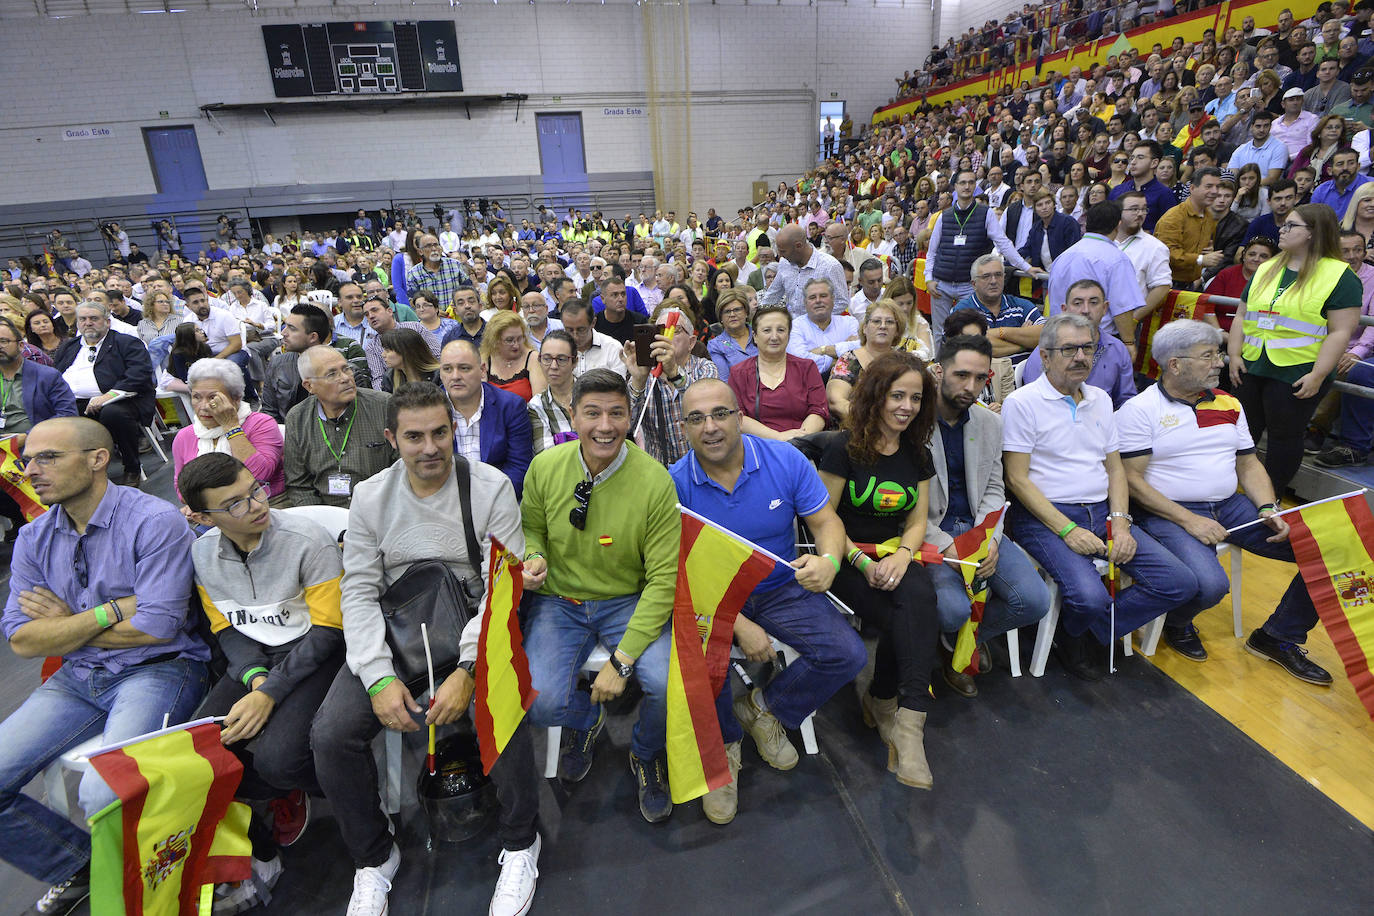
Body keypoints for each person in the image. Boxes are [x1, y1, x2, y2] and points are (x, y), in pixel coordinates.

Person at [311, 383, 542, 916]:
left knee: (501, 709)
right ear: (393, 438)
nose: (430, 447)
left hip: (471, 625)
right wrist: (376, 676)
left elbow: (498, 588)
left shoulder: (489, 487)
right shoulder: (370, 496)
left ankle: (520, 841)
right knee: (331, 735)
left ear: (454, 431)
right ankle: (373, 857)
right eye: (414, 437)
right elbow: (360, 589)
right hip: (397, 629)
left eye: (441, 433)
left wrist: (467, 667)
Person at [0, 417, 209, 915]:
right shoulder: (34, 538)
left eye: (48, 457)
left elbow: (157, 627)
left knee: (105, 792)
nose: (31, 470)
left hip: (159, 669)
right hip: (78, 677)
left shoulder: (153, 520)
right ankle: (89, 869)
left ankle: (136, 887)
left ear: (97, 460)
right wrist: (108, 611)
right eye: (28, 459)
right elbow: (23, 639)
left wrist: (65, 624)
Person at [670, 379, 866, 824]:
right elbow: (676, 576)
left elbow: (826, 523)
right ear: (683, 429)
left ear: (740, 417)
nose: (711, 427)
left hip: (780, 585)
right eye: (697, 418)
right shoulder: (672, 484)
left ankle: (763, 708)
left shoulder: (784, 459)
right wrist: (738, 623)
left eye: (720, 413)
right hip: (711, 597)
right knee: (701, 665)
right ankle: (724, 748)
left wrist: (831, 562)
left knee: (847, 653)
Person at [1117, 320, 1333, 684]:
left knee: (1326, 552)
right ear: (1175, 364)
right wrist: (1189, 520)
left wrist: (1267, 507)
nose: (1220, 362)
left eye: (1218, 353)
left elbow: (1248, 463)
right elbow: (1131, 480)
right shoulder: (1139, 410)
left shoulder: (1229, 402)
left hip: (1231, 506)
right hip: (1167, 512)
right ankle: (1178, 621)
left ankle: (1277, 637)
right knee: (1211, 586)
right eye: (1209, 355)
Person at [180, 453, 346, 905]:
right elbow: (226, 628)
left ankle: (330, 786)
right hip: (255, 658)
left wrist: (269, 693)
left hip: (315, 652)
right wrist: (256, 680)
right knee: (199, 757)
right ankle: (263, 833)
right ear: (200, 517)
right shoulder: (200, 554)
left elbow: (329, 633)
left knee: (278, 760)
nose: (256, 504)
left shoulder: (307, 541)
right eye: (234, 504)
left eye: (255, 489)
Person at [520, 369, 681, 822]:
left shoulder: (654, 482)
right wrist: (533, 554)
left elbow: (663, 580)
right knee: (538, 701)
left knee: (670, 684)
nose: (604, 425)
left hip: (628, 599)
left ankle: (646, 753)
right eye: (592, 413)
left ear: (630, 418)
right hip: (558, 600)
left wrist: (621, 662)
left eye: (616, 413)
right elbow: (531, 524)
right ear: (573, 415)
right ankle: (584, 719)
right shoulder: (545, 467)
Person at [1002, 313, 1197, 681]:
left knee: (1179, 582)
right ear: (1044, 356)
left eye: (1088, 348)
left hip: (1102, 513)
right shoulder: (1023, 403)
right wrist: (1065, 530)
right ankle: (1084, 625)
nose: (1080, 357)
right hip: (1045, 516)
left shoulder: (1102, 400)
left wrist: (1121, 524)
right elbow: (1017, 479)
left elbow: (1115, 470)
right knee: (1089, 596)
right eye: (1069, 349)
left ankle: (1081, 630)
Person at [817, 351, 940, 789]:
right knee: (906, 616)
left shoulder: (917, 453)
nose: (906, 406)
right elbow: (824, 519)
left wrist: (904, 556)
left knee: (919, 600)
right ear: (876, 397)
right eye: (897, 396)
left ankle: (906, 719)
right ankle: (886, 702)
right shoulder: (842, 448)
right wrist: (861, 562)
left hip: (895, 553)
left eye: (916, 397)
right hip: (847, 555)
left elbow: (917, 520)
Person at [926, 334, 1050, 696]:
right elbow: (904, 505)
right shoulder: (911, 422)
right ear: (938, 372)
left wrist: (990, 539)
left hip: (980, 527)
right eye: (961, 375)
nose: (971, 386)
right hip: (933, 531)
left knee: (1034, 601)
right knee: (951, 610)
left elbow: (996, 488)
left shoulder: (989, 423)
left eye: (980, 379)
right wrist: (946, 545)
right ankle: (955, 635)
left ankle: (963, 642)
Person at [1228, 203, 1362, 496]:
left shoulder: (1340, 276)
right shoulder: (1268, 266)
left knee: (1283, 438)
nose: (1282, 230)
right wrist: (1235, 354)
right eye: (1284, 224)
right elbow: (1242, 314)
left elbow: (1341, 332)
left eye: (1291, 226)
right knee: (1242, 433)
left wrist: (1318, 374)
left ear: (1313, 233)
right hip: (1252, 364)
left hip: (1298, 370)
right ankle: (1235, 492)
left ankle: (1270, 497)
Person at [926, 170, 1045, 346]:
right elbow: (932, 251)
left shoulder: (986, 213)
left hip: (969, 285)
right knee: (940, 332)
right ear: (956, 187)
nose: (967, 186)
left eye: (971, 182)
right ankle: (940, 368)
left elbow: (1003, 243)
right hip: (941, 284)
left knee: (970, 334)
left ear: (975, 185)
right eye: (963, 183)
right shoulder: (944, 216)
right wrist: (928, 278)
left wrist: (1025, 267)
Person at [52, 302, 155, 487]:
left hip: (123, 400)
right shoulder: (69, 347)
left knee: (113, 413)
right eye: (83, 319)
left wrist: (108, 396)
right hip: (75, 403)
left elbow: (139, 375)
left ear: (107, 322)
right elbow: (55, 376)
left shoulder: (125, 342)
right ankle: (79, 472)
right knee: (57, 417)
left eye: (94, 318)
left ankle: (132, 467)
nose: (88, 323)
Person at [283, 346, 396, 507]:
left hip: (380, 509)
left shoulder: (384, 405)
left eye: (346, 369)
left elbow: (403, 466)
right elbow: (298, 485)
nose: (345, 378)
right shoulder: (297, 418)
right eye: (332, 374)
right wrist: (320, 522)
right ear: (310, 386)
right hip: (324, 515)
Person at [0, 316, 76, 542]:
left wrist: (27, 439)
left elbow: (67, 415)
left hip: (36, 446)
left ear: (21, 345)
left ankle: (43, 518)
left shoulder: (46, 376)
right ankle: (22, 516)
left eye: (4, 341)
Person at [172, 359, 284, 501]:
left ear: (236, 398)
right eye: (196, 397)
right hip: (213, 511)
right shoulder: (184, 436)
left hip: (267, 502)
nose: (204, 406)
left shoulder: (261, 424)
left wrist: (231, 427)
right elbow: (181, 486)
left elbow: (258, 477)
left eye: (213, 398)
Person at [1046, 201, 1148, 352]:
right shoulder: (1116, 259)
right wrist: (1128, 343)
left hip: (1061, 340)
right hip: (1098, 343)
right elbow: (1122, 308)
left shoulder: (1063, 257)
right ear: (1118, 225)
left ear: (1087, 223)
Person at [438, 339, 534, 497]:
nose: (455, 376)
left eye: (464, 368)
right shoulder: (429, 407)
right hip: (446, 501)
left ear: (482, 370)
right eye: (447, 369)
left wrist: (483, 501)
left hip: (497, 499)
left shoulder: (510, 406)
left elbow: (519, 468)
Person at [627, 306, 720, 467]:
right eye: (660, 331)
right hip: (659, 470)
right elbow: (627, 422)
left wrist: (675, 373)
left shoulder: (705, 367)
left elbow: (708, 403)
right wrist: (638, 381)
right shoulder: (646, 374)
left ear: (691, 343)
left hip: (703, 465)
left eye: (675, 330)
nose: (666, 338)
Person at [726, 305, 829, 441]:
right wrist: (779, 437)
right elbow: (738, 417)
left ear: (788, 335)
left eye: (781, 330)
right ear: (755, 337)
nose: (774, 337)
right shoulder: (739, 373)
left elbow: (819, 411)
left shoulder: (807, 368)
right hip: (757, 446)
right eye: (767, 330)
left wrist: (799, 440)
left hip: (802, 446)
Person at [261, 304, 371, 423]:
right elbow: (269, 411)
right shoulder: (277, 364)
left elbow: (360, 414)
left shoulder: (349, 372)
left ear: (313, 337)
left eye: (291, 328)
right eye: (285, 326)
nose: (283, 333)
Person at [826, 300, 912, 425]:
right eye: (876, 321)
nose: (883, 326)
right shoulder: (848, 360)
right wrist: (874, 423)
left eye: (889, 322)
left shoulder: (905, 363)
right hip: (854, 428)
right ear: (865, 328)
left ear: (897, 331)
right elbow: (836, 401)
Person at [951, 254, 1046, 358]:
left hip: (1023, 373)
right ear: (974, 284)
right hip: (984, 373)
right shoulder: (962, 311)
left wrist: (1002, 332)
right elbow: (975, 347)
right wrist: (1024, 342)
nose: (993, 281)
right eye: (986, 276)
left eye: (998, 275)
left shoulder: (1022, 306)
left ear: (1004, 278)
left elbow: (1045, 337)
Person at [758, 224, 849, 320]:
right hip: (792, 328)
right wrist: (760, 316)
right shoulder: (784, 263)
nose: (780, 255)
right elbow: (773, 295)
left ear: (798, 246)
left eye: (783, 251)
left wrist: (814, 321)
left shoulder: (830, 266)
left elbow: (841, 302)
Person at [362, 294, 439, 391]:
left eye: (375, 310)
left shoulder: (415, 328)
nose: (371, 316)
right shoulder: (371, 347)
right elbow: (378, 379)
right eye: (367, 314)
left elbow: (438, 356)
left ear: (390, 311)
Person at [786, 278, 861, 377]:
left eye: (823, 296)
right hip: (806, 385)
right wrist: (841, 356)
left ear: (833, 299)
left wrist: (823, 350)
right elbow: (800, 363)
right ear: (805, 302)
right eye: (812, 297)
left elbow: (861, 351)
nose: (818, 301)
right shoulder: (795, 327)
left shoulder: (849, 322)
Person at [481, 311, 547, 402]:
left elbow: (540, 402)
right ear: (495, 341)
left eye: (520, 339)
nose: (516, 345)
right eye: (509, 340)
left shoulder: (533, 358)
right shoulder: (484, 359)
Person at [528, 330, 577, 454]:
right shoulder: (537, 405)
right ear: (539, 360)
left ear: (574, 362)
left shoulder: (592, 393)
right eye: (547, 359)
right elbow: (546, 456)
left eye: (561, 359)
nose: (553, 366)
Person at [559, 298, 626, 378]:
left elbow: (619, 387)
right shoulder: (555, 349)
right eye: (569, 330)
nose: (575, 336)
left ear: (593, 323)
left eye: (581, 330)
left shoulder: (613, 348)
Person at [1021, 188, 1083, 271]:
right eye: (1039, 205)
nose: (1044, 207)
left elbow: (1073, 252)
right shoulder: (1036, 228)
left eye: (1048, 203)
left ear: (1054, 205)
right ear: (1035, 209)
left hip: (1066, 273)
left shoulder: (1068, 222)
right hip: (1042, 276)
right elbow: (1026, 250)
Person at [403, 232, 471, 305]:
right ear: (420, 251)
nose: (434, 249)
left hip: (455, 314)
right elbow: (412, 301)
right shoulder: (414, 273)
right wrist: (433, 310)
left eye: (436, 245)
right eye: (428, 246)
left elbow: (468, 289)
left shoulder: (455, 265)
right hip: (430, 315)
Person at [706, 288, 757, 381]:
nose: (732, 314)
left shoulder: (760, 335)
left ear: (746, 312)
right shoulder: (715, 346)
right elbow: (725, 380)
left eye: (737, 310)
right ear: (720, 317)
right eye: (727, 311)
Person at [1311, 146, 1372, 218]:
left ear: (1358, 167)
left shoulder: (1371, 185)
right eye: (1340, 164)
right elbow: (1314, 219)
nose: (1345, 168)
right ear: (1330, 171)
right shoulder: (1321, 191)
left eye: (1351, 163)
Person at [378, 327, 441, 393]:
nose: (383, 355)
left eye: (387, 351)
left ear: (405, 352)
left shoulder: (438, 375)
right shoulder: (389, 377)